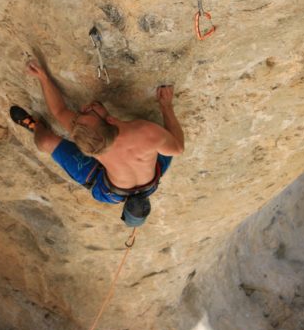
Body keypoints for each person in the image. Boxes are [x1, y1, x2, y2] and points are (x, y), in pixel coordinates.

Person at [10, 60, 184, 227]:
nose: (85, 108)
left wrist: (43, 78)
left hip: (110, 189)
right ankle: (37, 126)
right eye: (87, 113)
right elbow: (178, 148)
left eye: (85, 113)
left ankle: (37, 127)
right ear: (108, 119)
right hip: (149, 183)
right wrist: (166, 106)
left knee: (46, 141)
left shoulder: (105, 133)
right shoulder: (146, 134)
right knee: (165, 146)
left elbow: (59, 111)